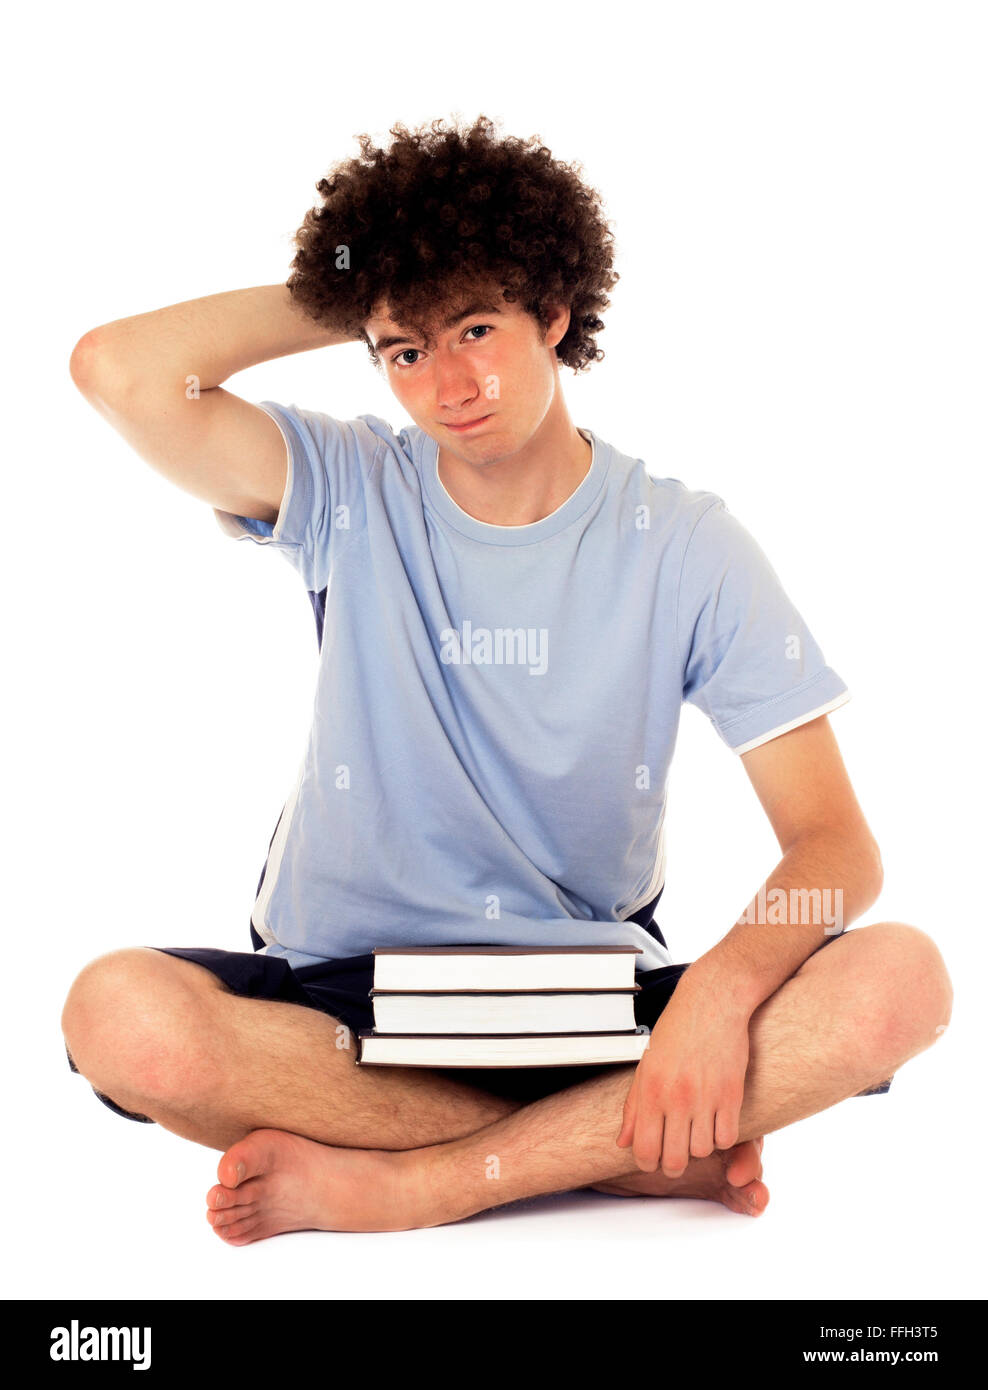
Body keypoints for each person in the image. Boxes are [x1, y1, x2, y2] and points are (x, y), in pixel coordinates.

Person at [62, 114, 952, 1242]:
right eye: (405, 348)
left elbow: (835, 848)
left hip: (593, 1002)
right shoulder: (349, 487)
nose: (449, 381)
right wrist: (368, 279)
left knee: (902, 981)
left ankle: (425, 1181)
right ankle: (618, 1149)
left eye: (476, 325)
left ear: (555, 309)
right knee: (118, 1015)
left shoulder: (683, 541)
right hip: (345, 1005)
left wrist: (716, 1000)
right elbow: (119, 370)